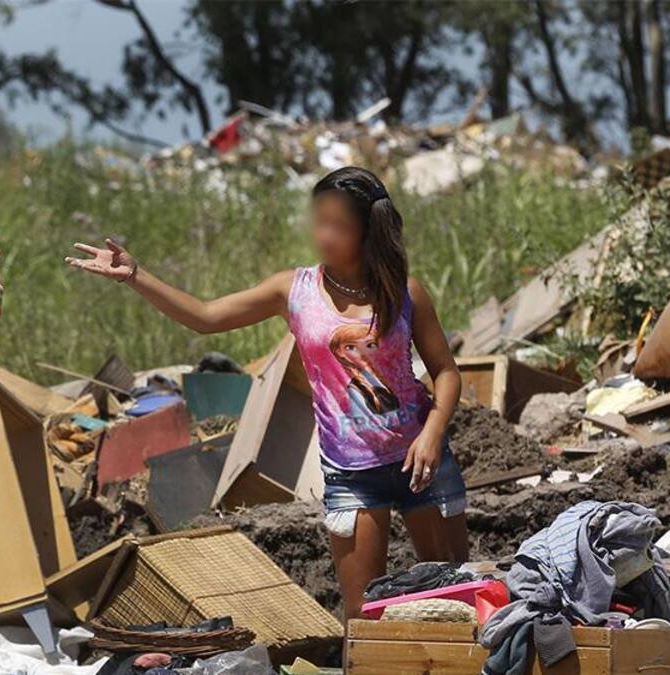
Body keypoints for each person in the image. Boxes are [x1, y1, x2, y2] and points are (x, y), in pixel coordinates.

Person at [65, 166, 468, 620]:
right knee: (365, 614)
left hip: (421, 463)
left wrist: (433, 433)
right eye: (319, 221)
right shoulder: (293, 290)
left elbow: (447, 373)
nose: (323, 235)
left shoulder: (406, 292)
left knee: (454, 600)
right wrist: (136, 275)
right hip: (353, 474)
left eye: (337, 225)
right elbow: (206, 316)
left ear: (368, 229)